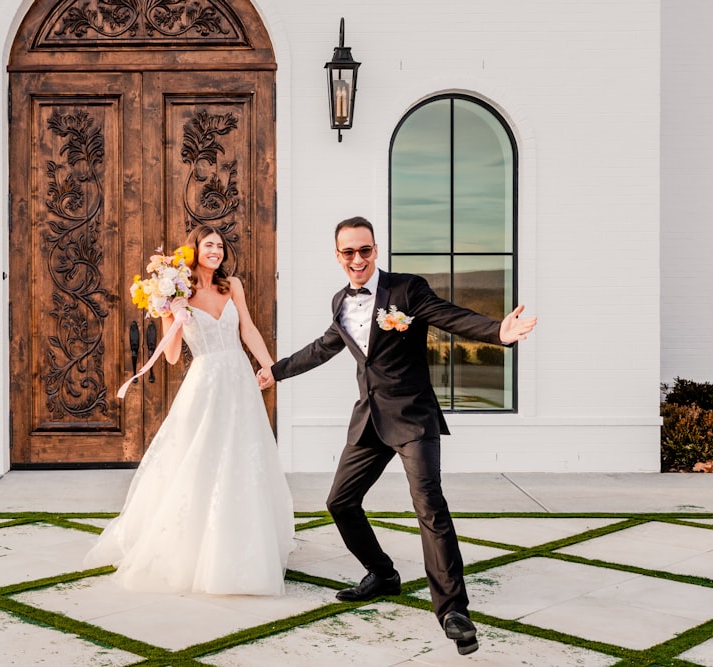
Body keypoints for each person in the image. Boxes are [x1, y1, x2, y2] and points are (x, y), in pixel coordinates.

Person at [257, 216, 536, 655]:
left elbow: (449, 316)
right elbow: (323, 347)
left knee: (430, 506)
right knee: (340, 502)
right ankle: (383, 574)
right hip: (369, 419)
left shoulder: (406, 290)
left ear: (375, 250)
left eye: (364, 250)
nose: (357, 259)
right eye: (348, 252)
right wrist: (275, 373)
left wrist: (497, 332)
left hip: (412, 417)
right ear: (338, 256)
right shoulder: (340, 302)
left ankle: (452, 611)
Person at [84, 224, 294, 595]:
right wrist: (175, 316)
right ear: (194, 249)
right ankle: (197, 547)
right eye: (209, 245)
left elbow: (248, 329)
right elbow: (172, 355)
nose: (216, 250)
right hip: (206, 382)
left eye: (220, 246)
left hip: (239, 381)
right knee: (200, 459)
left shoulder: (234, 286)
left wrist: (269, 367)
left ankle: (246, 544)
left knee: (243, 459)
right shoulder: (176, 291)